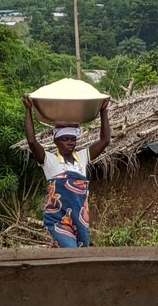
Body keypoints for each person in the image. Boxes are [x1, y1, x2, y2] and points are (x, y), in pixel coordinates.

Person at [24, 95, 111, 248]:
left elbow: (105, 140)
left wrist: (103, 110)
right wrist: (28, 110)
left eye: (73, 139)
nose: (70, 142)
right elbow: (32, 141)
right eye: (65, 139)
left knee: (80, 252)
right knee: (71, 249)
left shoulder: (82, 157)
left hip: (80, 218)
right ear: (56, 140)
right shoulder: (49, 160)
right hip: (58, 218)